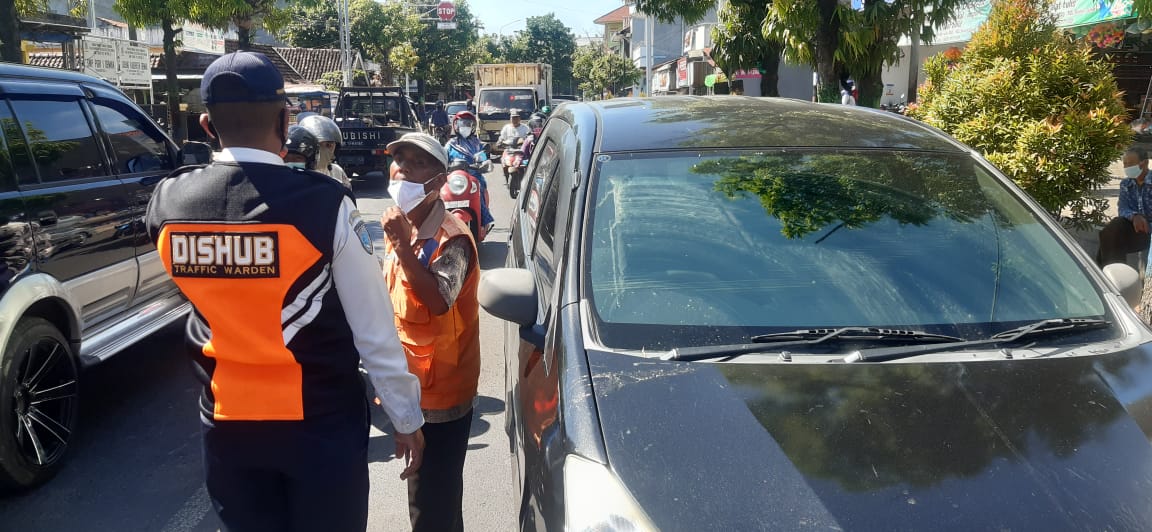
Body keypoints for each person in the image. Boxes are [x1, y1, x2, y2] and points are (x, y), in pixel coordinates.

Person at [144, 51, 425, 531]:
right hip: (319, 425)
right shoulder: (324, 204)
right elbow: (373, 329)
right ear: (284, 120)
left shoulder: (167, 202)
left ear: (208, 125)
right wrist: (406, 418)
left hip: (227, 427)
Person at [380, 132, 481, 532]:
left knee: (431, 508)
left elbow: (438, 301)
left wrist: (403, 248)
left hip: (440, 397)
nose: (403, 169)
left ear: (438, 182)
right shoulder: (402, 225)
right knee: (436, 506)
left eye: (417, 163)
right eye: (399, 159)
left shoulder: (452, 238)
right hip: (410, 388)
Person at [1098, 148, 1152, 267]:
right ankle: (1113, 273)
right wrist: (1134, 216)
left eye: (1130, 163)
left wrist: (1146, 222)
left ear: (1144, 163)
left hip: (1150, 232)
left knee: (1108, 243)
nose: (1127, 167)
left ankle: (1109, 272)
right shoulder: (1126, 184)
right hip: (1136, 230)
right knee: (1111, 232)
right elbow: (1122, 208)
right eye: (1125, 164)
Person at [445, 111, 495, 231]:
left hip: (473, 177)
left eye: (468, 124)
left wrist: (482, 161)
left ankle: (483, 222)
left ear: (473, 126)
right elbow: (443, 158)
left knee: (480, 190)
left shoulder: (477, 143)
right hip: (454, 180)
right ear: (455, 125)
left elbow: (484, 156)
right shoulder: (451, 144)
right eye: (461, 123)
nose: (465, 127)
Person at [298, 114, 352, 189]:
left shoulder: (337, 171)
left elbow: (347, 193)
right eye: (318, 145)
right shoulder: (297, 173)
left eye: (328, 145)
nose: (323, 150)